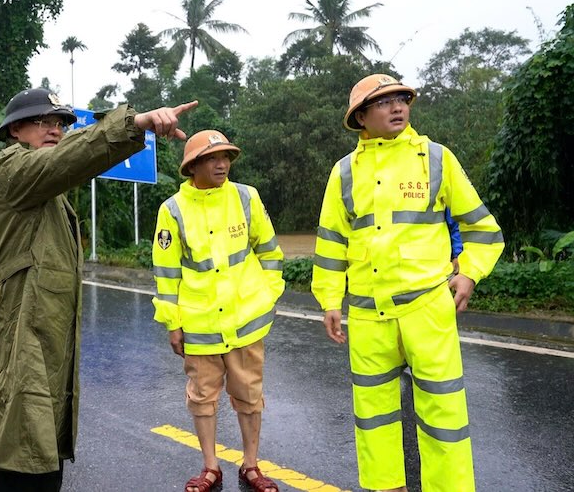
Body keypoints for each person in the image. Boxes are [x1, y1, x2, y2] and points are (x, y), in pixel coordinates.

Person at [0, 88, 197, 491]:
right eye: (43, 121)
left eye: (61, 123)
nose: (56, 130)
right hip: (24, 330)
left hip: (49, 335)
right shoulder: (7, 170)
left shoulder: (48, 192)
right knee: (25, 443)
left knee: (44, 446)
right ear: (14, 130)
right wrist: (138, 122)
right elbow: (69, 159)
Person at [311, 74, 504, 492]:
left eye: (402, 99)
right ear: (361, 117)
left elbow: (483, 228)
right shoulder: (343, 173)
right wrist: (329, 300)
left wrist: (469, 273)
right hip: (366, 315)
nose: (398, 107)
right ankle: (386, 487)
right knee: (374, 415)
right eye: (384, 102)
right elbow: (331, 244)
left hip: (428, 309)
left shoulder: (436, 159)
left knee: (443, 413)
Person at [152, 130, 285, 492]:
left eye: (226, 157)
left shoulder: (246, 197)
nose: (222, 164)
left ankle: (251, 465)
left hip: (245, 321)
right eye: (213, 158)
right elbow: (166, 272)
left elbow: (269, 250)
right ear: (192, 166)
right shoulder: (173, 210)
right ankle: (211, 467)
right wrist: (172, 323)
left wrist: (268, 295)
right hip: (200, 325)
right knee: (202, 398)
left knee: (249, 395)